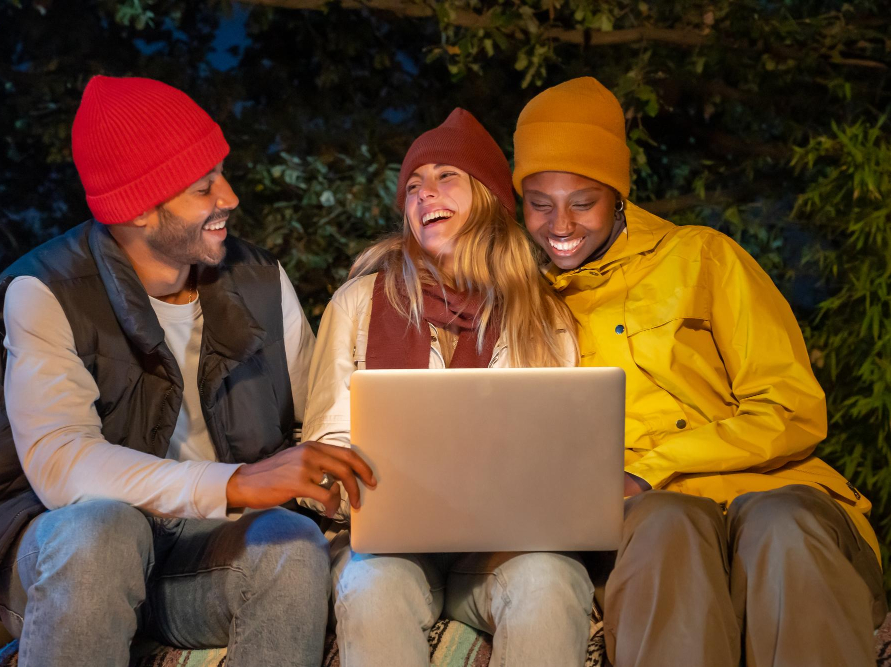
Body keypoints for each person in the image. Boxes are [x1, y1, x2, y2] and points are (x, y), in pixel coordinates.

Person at [0, 75, 375, 667]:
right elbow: (61, 464)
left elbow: (313, 428)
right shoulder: (44, 291)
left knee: (290, 546)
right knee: (104, 532)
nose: (230, 197)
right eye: (203, 187)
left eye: (222, 174)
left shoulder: (261, 280)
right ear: (138, 209)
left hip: (197, 557)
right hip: (62, 547)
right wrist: (235, 482)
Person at [512, 76, 887, 667]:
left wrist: (653, 466)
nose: (561, 225)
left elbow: (792, 407)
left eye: (583, 202)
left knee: (781, 523)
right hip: (647, 523)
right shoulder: (527, 304)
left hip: (775, 496)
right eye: (539, 204)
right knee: (666, 524)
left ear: (617, 193)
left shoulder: (703, 257)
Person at [300, 108, 593, 667]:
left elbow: (560, 450)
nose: (424, 193)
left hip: (500, 546)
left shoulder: (542, 313)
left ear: (487, 196)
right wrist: (343, 482)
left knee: (550, 579)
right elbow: (328, 436)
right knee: (372, 583)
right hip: (391, 544)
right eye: (412, 185)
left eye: (445, 176)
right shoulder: (358, 303)